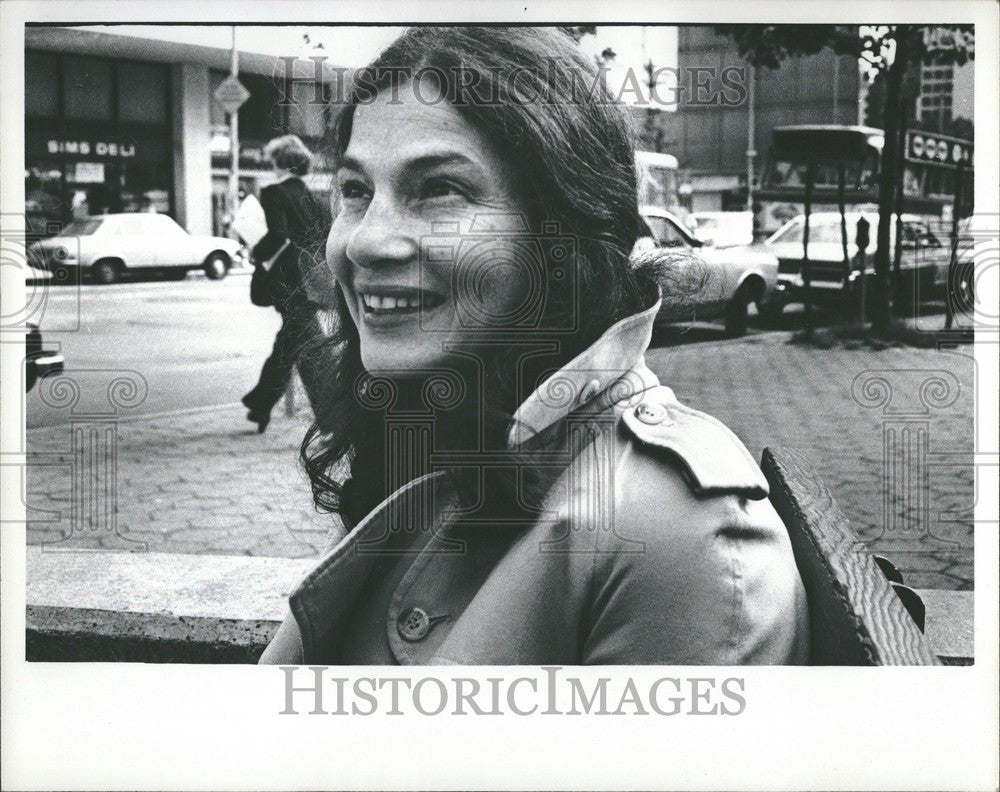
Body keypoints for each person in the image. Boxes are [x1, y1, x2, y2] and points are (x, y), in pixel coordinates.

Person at [260, 27, 808, 664]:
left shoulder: (678, 533)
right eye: (356, 190)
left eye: (438, 189)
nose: (363, 243)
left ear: (562, 230)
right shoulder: (440, 422)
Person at [242, 135, 332, 433]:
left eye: (273, 162)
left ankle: (332, 419)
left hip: (287, 283)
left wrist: (255, 252)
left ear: (280, 163)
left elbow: (277, 235)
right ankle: (261, 404)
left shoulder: (274, 193)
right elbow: (323, 238)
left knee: (310, 348)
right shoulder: (314, 199)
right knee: (295, 344)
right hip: (313, 280)